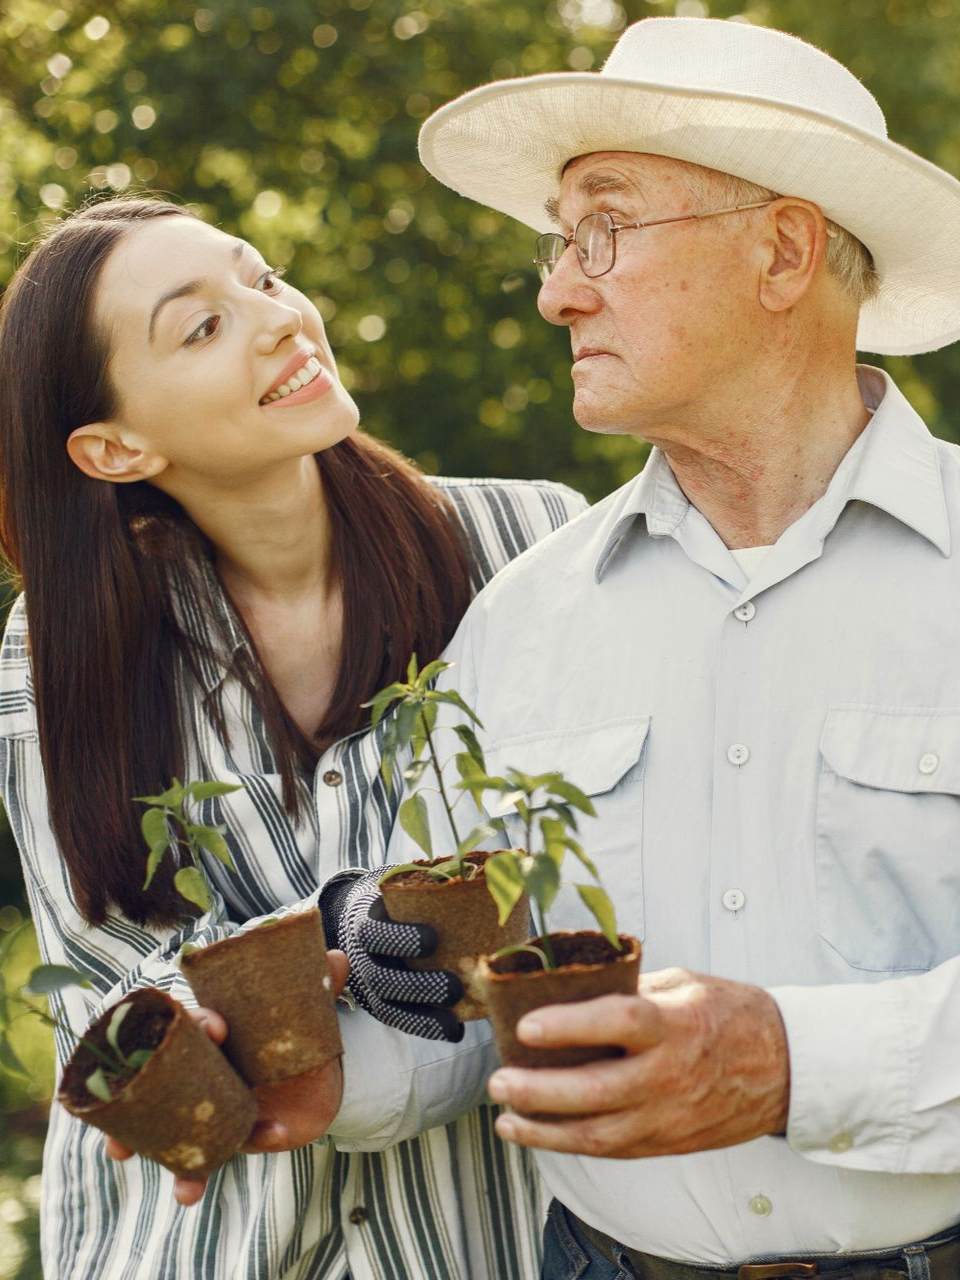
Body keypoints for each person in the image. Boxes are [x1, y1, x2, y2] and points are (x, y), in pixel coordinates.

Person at [325, 16, 960, 1280]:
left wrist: (790, 1061)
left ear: (783, 250)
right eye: (561, 242)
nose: (559, 286)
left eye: (602, 228)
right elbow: (456, 1025)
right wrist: (326, 1018)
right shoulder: (525, 615)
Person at [0, 195, 585, 1279]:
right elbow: (113, 985)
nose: (279, 318)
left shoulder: (535, 545)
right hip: (202, 1245)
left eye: (260, 278)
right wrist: (321, 932)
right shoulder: (60, 650)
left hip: (483, 1241)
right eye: (201, 326)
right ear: (115, 445)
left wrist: (391, 934)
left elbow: (597, 885)